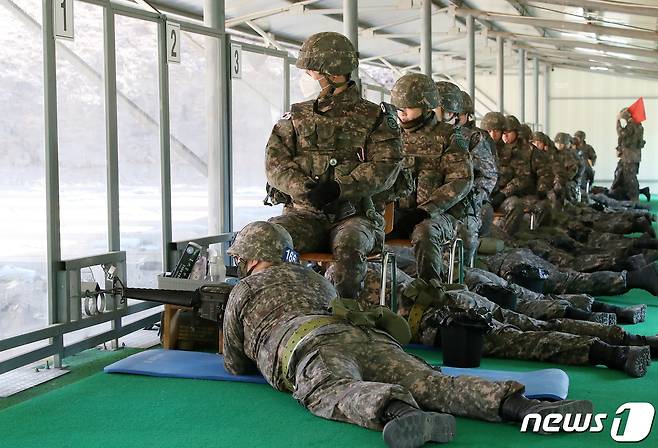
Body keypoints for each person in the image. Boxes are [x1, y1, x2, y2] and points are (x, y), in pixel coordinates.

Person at [223, 221, 594, 448]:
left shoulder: (243, 290)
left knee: (334, 390)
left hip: (307, 346)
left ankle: (399, 413)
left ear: (252, 259)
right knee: (432, 381)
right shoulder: (317, 279)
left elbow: (236, 363)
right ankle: (528, 408)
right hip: (362, 333)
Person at [264, 32, 402, 299]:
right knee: (266, 238)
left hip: (354, 216)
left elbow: (386, 166)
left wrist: (339, 189)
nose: (308, 78)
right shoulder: (296, 117)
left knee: (350, 245)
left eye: (312, 72)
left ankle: (343, 319)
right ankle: (278, 308)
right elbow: (275, 162)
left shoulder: (375, 118)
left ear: (332, 74)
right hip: (304, 215)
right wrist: (305, 188)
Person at [388, 74, 473, 282]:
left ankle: (430, 291)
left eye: (407, 107)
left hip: (439, 215)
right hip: (399, 212)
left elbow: (461, 180)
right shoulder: (392, 136)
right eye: (399, 108)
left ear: (425, 105)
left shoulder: (449, 135)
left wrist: (426, 210)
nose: (402, 113)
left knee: (424, 233)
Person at [609, 108, 646, 202]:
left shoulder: (632, 125)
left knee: (630, 178)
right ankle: (621, 194)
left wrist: (617, 122)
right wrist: (620, 149)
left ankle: (634, 198)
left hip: (630, 157)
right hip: (629, 156)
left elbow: (621, 134)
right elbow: (626, 140)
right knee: (621, 174)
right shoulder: (637, 125)